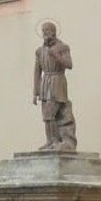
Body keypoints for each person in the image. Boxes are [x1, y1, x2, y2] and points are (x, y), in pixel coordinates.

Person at [32, 21, 76, 152]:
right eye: (43, 31)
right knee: (46, 115)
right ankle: (50, 140)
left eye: (47, 30)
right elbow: (37, 72)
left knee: (53, 112)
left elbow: (69, 64)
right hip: (45, 83)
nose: (45, 33)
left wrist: (56, 55)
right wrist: (35, 92)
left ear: (53, 31)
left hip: (57, 81)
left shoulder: (63, 47)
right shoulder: (39, 51)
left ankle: (58, 140)